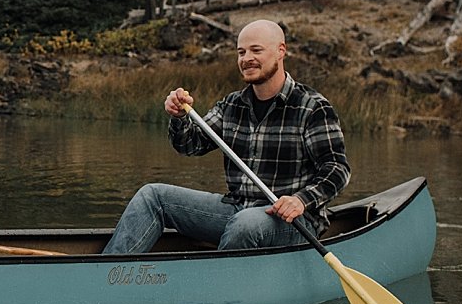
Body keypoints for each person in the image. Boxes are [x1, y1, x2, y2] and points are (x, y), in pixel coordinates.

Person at [101, 18, 350, 255]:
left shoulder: (312, 107)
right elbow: (190, 144)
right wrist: (179, 117)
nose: (247, 59)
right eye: (241, 52)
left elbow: (337, 168)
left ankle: (215, 290)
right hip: (237, 208)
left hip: (293, 221)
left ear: (280, 51)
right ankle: (107, 275)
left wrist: (300, 200)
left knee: (246, 224)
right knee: (152, 195)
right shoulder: (232, 104)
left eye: (256, 50)